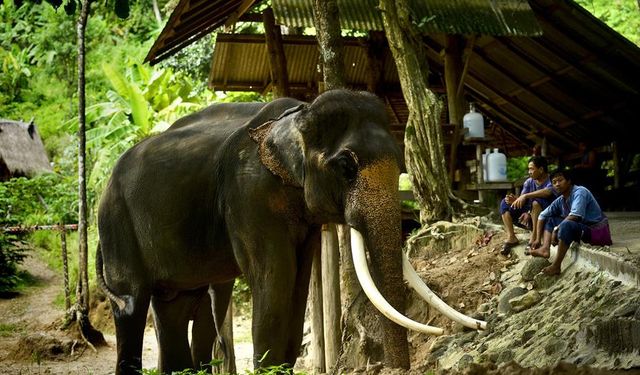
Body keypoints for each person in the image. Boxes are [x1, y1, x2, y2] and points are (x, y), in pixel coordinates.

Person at [529, 169, 612, 275]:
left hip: (597, 231)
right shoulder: (561, 199)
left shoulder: (580, 192)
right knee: (551, 219)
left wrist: (556, 230)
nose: (557, 184)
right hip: (582, 228)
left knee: (566, 225)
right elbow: (542, 215)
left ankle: (556, 266)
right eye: (554, 182)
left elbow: (575, 216)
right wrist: (537, 239)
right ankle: (545, 248)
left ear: (569, 181)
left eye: (560, 180)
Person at [499, 156, 557, 255]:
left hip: (548, 218)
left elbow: (547, 192)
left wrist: (526, 196)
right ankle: (511, 237)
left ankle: (534, 238)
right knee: (505, 203)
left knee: (536, 202)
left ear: (541, 169)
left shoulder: (552, 180)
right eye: (528, 169)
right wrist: (517, 202)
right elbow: (521, 200)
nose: (529, 172)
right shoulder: (529, 182)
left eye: (531, 169)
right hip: (532, 215)